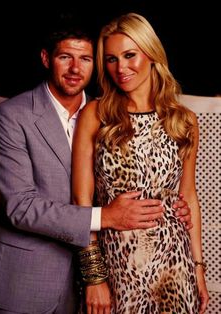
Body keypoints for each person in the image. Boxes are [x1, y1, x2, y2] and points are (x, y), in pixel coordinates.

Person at [0, 14, 192, 314]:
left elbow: (133, 182)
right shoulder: (11, 115)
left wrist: (173, 205)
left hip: (99, 277)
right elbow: (21, 207)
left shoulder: (107, 114)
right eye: (65, 57)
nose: (74, 68)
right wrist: (104, 217)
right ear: (46, 58)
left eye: (84, 59)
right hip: (29, 278)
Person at [72, 12, 209, 314]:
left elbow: (188, 195)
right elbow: (81, 201)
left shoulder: (183, 120)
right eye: (110, 59)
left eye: (129, 55)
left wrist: (198, 267)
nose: (121, 68)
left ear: (151, 54)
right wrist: (94, 276)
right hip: (118, 267)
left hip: (175, 266)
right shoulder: (95, 115)